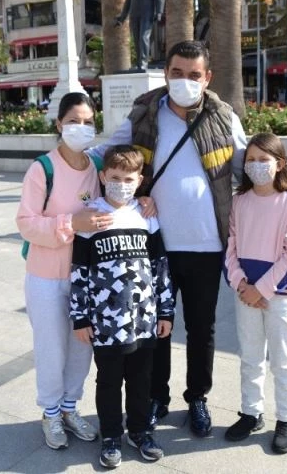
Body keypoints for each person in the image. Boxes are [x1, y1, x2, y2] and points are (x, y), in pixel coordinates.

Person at [90, 40, 248, 438]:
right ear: (166, 73)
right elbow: (110, 153)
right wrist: (65, 161)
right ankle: (156, 397)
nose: (185, 81)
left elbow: (246, 164)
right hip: (154, 246)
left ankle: (197, 397)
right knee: (154, 328)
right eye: (177, 73)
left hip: (207, 245)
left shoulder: (223, 116)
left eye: (194, 75)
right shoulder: (145, 113)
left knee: (201, 328)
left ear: (207, 77)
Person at [16, 92, 111, 451]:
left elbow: (112, 197)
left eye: (88, 122)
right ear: (58, 124)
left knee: (81, 346)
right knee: (51, 348)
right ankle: (51, 413)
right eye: (73, 121)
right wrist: (71, 223)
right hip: (46, 277)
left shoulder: (97, 166)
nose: (80, 128)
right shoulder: (43, 168)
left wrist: (143, 201)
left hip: (85, 277)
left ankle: (71, 407)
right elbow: (26, 223)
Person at [71, 145, 174, 468]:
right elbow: (79, 272)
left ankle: (140, 431)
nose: (121, 184)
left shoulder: (146, 217)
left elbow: (160, 266)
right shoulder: (92, 217)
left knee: (142, 380)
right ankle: (112, 435)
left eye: (129, 179)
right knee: (109, 381)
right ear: (103, 177)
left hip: (143, 320)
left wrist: (166, 311)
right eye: (115, 178)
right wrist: (80, 317)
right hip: (105, 323)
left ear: (139, 181)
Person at [223, 132, 287, 454]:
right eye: (251, 160)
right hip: (245, 293)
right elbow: (229, 247)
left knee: (283, 360)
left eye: (264, 159)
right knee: (250, 356)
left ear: (280, 164)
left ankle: (286, 419)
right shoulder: (239, 202)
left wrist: (261, 289)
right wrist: (241, 284)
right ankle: (251, 412)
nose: (257, 165)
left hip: (280, 295)